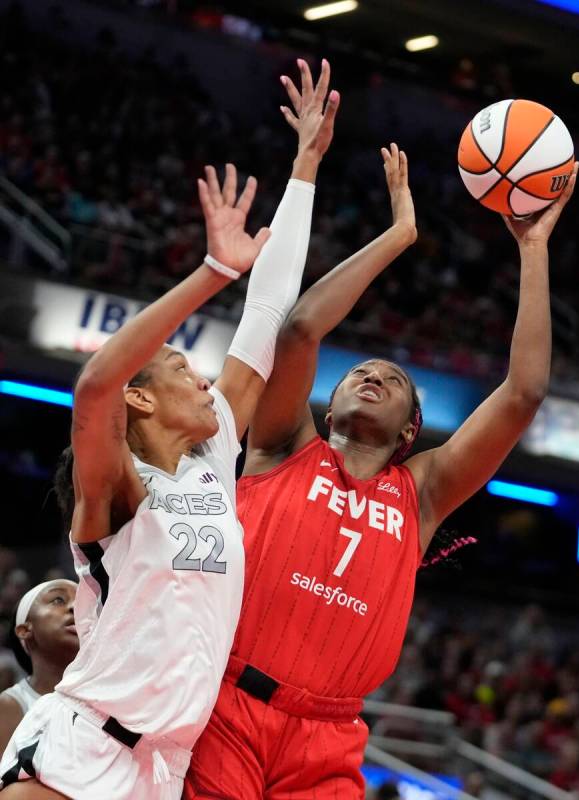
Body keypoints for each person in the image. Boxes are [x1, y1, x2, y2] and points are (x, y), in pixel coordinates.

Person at [184, 138, 579, 799]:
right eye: (359, 373)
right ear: (328, 404)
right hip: (228, 707)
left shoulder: (420, 494)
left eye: (390, 378)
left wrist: (533, 251)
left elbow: (523, 393)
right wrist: (400, 235)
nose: (370, 374)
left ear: (411, 431)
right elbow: (302, 329)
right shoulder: (282, 445)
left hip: (331, 739)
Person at [0, 58, 339, 800]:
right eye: (184, 369)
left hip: (165, 765)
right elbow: (94, 387)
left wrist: (306, 167)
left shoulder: (211, 459)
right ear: (143, 402)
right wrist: (214, 269)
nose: (205, 380)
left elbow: (268, 315)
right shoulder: (118, 487)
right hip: (82, 746)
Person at [0, 581, 78, 754]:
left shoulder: (113, 695)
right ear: (24, 630)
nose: (76, 607)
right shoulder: (8, 707)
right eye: (58, 600)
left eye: (83, 604)